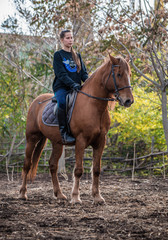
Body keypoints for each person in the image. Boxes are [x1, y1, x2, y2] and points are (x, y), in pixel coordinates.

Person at [52, 29, 88, 144]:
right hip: (62, 88)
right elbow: (61, 74)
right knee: (62, 102)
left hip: (77, 87)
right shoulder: (58, 55)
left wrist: (88, 83)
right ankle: (64, 133)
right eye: (68, 38)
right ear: (62, 40)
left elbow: (83, 73)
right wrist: (72, 84)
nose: (70, 40)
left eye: (71, 37)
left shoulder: (77, 55)